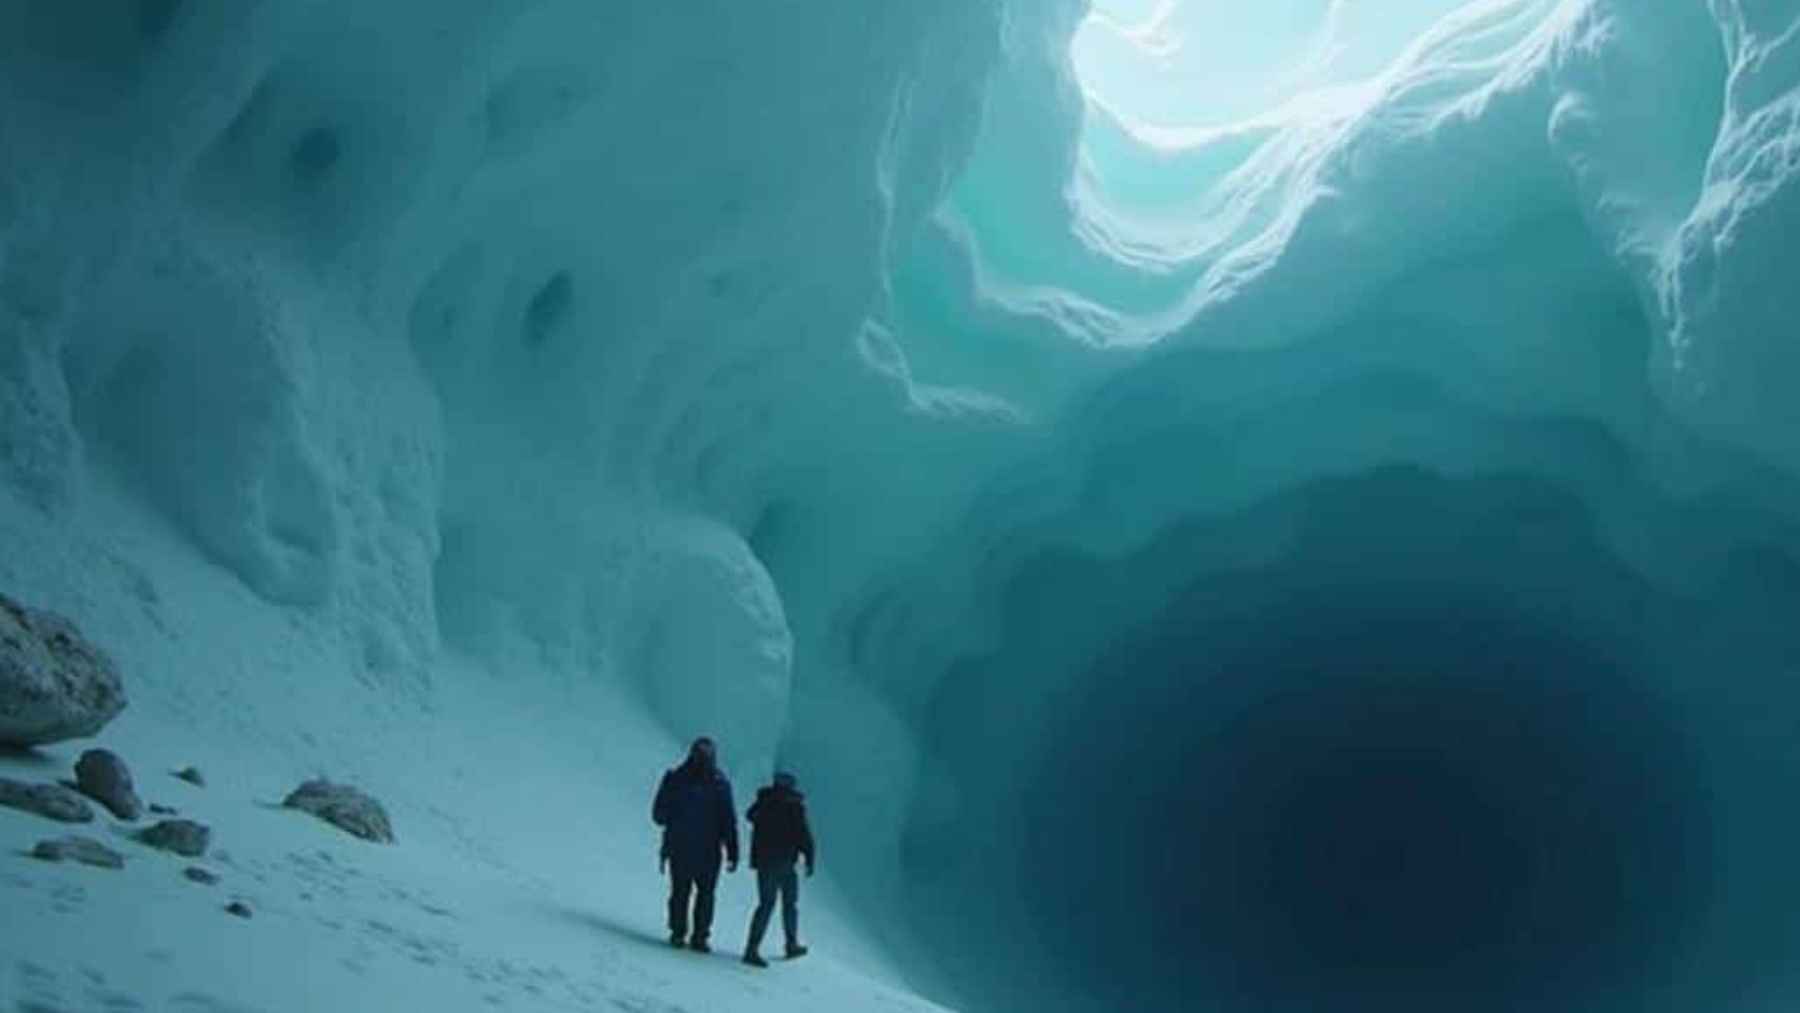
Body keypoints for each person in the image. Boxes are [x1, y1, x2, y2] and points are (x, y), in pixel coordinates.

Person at [651, 737, 739, 952]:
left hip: (684, 847)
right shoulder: (718, 783)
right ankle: (696, 936)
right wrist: (732, 850)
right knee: (701, 894)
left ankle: (681, 933)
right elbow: (728, 820)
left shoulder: (677, 779)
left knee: (684, 892)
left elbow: (659, 814)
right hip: (704, 850)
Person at [741, 770, 816, 968]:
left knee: (767, 904)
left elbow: (751, 816)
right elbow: (803, 834)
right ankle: (789, 944)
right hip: (784, 861)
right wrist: (809, 857)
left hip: (766, 861)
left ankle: (754, 947)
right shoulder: (793, 806)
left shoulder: (765, 802)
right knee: (787, 904)